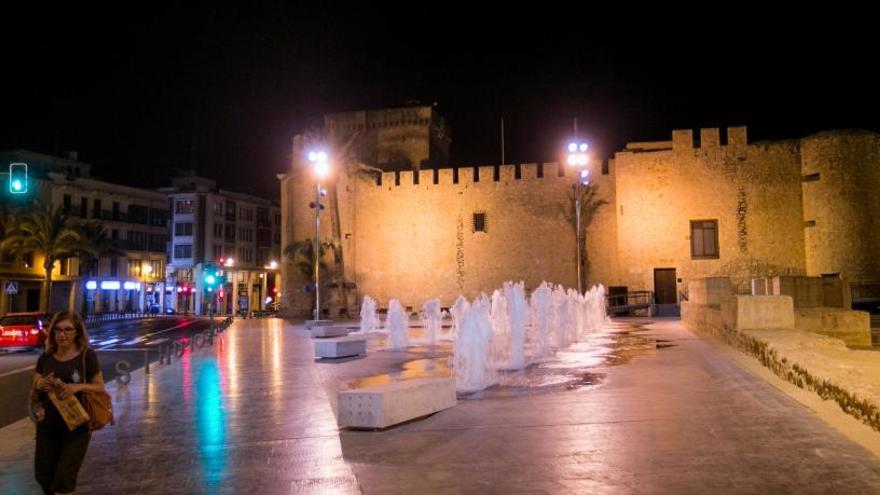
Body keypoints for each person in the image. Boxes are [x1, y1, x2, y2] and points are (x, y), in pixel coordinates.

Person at [30, 311, 105, 495]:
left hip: (77, 427)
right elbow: (35, 383)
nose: (62, 335)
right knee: (44, 476)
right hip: (47, 426)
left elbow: (99, 387)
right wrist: (40, 384)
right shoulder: (46, 357)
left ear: (77, 333)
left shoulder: (87, 356)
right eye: (58, 330)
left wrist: (76, 387)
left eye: (68, 330)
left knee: (64, 479)